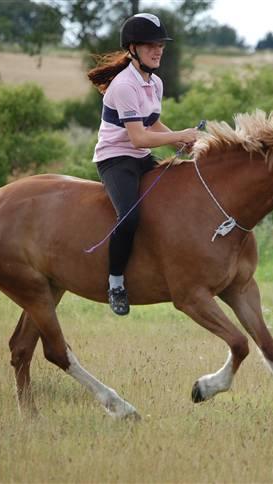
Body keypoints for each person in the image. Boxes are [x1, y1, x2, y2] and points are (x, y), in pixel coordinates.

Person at [87, 13, 198, 316]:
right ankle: (116, 283)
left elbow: (153, 122)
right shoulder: (124, 86)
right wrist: (181, 134)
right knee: (130, 217)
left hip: (140, 157)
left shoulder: (155, 82)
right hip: (116, 159)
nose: (158, 50)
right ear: (133, 49)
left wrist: (178, 141)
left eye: (160, 44)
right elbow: (137, 138)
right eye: (151, 45)